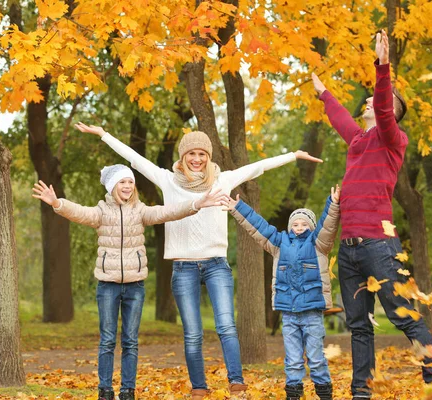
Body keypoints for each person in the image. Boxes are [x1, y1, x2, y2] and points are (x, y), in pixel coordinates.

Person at [75, 122, 323, 399]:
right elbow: (135, 159)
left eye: (202, 154)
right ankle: (199, 387)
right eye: (191, 154)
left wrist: (293, 155)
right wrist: (104, 135)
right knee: (192, 332)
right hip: (183, 267)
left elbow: (258, 167)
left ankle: (236, 381)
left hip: (217, 264)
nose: (196, 159)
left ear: (209, 156)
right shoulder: (167, 180)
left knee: (226, 326)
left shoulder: (222, 180)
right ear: (182, 157)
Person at [311, 30, 432, 400]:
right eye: (369, 100)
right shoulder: (359, 141)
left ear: (393, 112)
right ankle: (361, 392)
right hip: (350, 248)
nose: (370, 103)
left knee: (404, 316)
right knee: (359, 326)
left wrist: (383, 66)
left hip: (379, 244)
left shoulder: (393, 139)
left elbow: (385, 107)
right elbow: (341, 119)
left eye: (376, 101)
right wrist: (323, 92)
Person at [32, 165, 227, 400]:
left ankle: (127, 390)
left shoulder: (140, 211)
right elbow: (80, 212)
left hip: (135, 285)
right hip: (108, 285)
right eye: (122, 182)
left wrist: (196, 204)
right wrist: (57, 203)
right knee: (106, 339)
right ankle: (105, 390)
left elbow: (168, 212)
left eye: (130, 182)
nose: (127, 186)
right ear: (113, 186)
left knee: (130, 341)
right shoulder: (102, 211)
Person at [222, 185, 340, 400]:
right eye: (295, 223)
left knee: (315, 359)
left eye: (304, 224)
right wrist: (237, 208)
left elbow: (328, 226)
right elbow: (259, 228)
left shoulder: (318, 244)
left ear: (311, 226)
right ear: (289, 226)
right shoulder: (279, 243)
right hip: (289, 313)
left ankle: (325, 395)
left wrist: (332, 203)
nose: (299, 227)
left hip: (312, 312)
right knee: (293, 360)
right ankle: (293, 394)